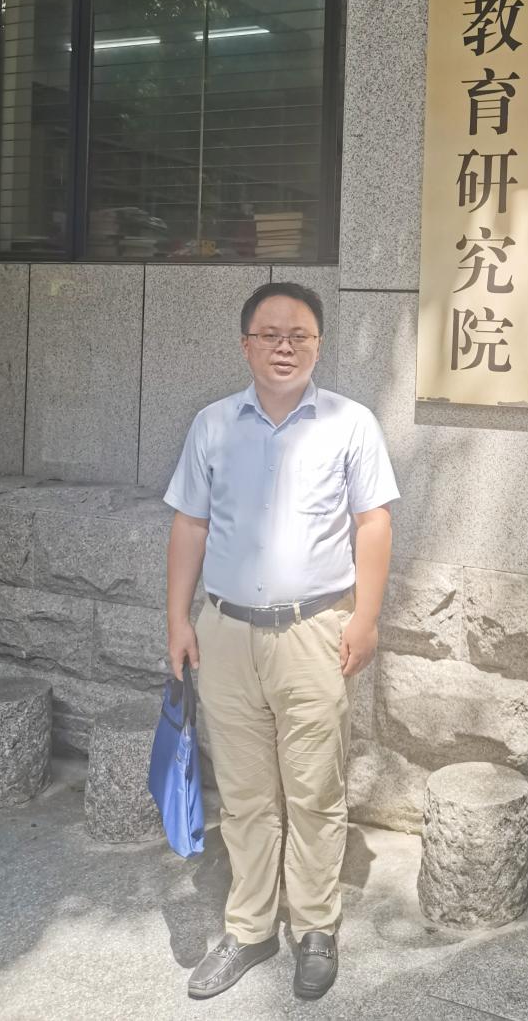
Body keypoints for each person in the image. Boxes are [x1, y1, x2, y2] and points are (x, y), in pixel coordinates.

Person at [163, 281, 399, 1002]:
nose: (285, 346)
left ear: (319, 345)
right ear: (246, 346)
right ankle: (250, 926)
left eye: (300, 335)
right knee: (243, 792)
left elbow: (374, 523)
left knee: (315, 788)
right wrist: (177, 618)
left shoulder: (351, 423)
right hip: (226, 631)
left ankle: (316, 926)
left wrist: (365, 617)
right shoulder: (212, 425)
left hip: (313, 631)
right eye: (270, 334)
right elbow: (190, 525)